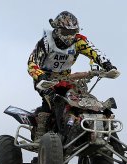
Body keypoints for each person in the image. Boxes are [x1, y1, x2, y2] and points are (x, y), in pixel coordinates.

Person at [27, 11, 117, 141]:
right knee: (51, 99)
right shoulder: (45, 43)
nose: (70, 36)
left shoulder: (79, 40)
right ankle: (40, 135)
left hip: (66, 78)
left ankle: (93, 126)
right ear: (57, 30)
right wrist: (40, 75)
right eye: (66, 32)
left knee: (82, 98)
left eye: (73, 32)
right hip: (45, 78)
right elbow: (32, 63)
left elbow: (94, 52)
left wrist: (108, 65)